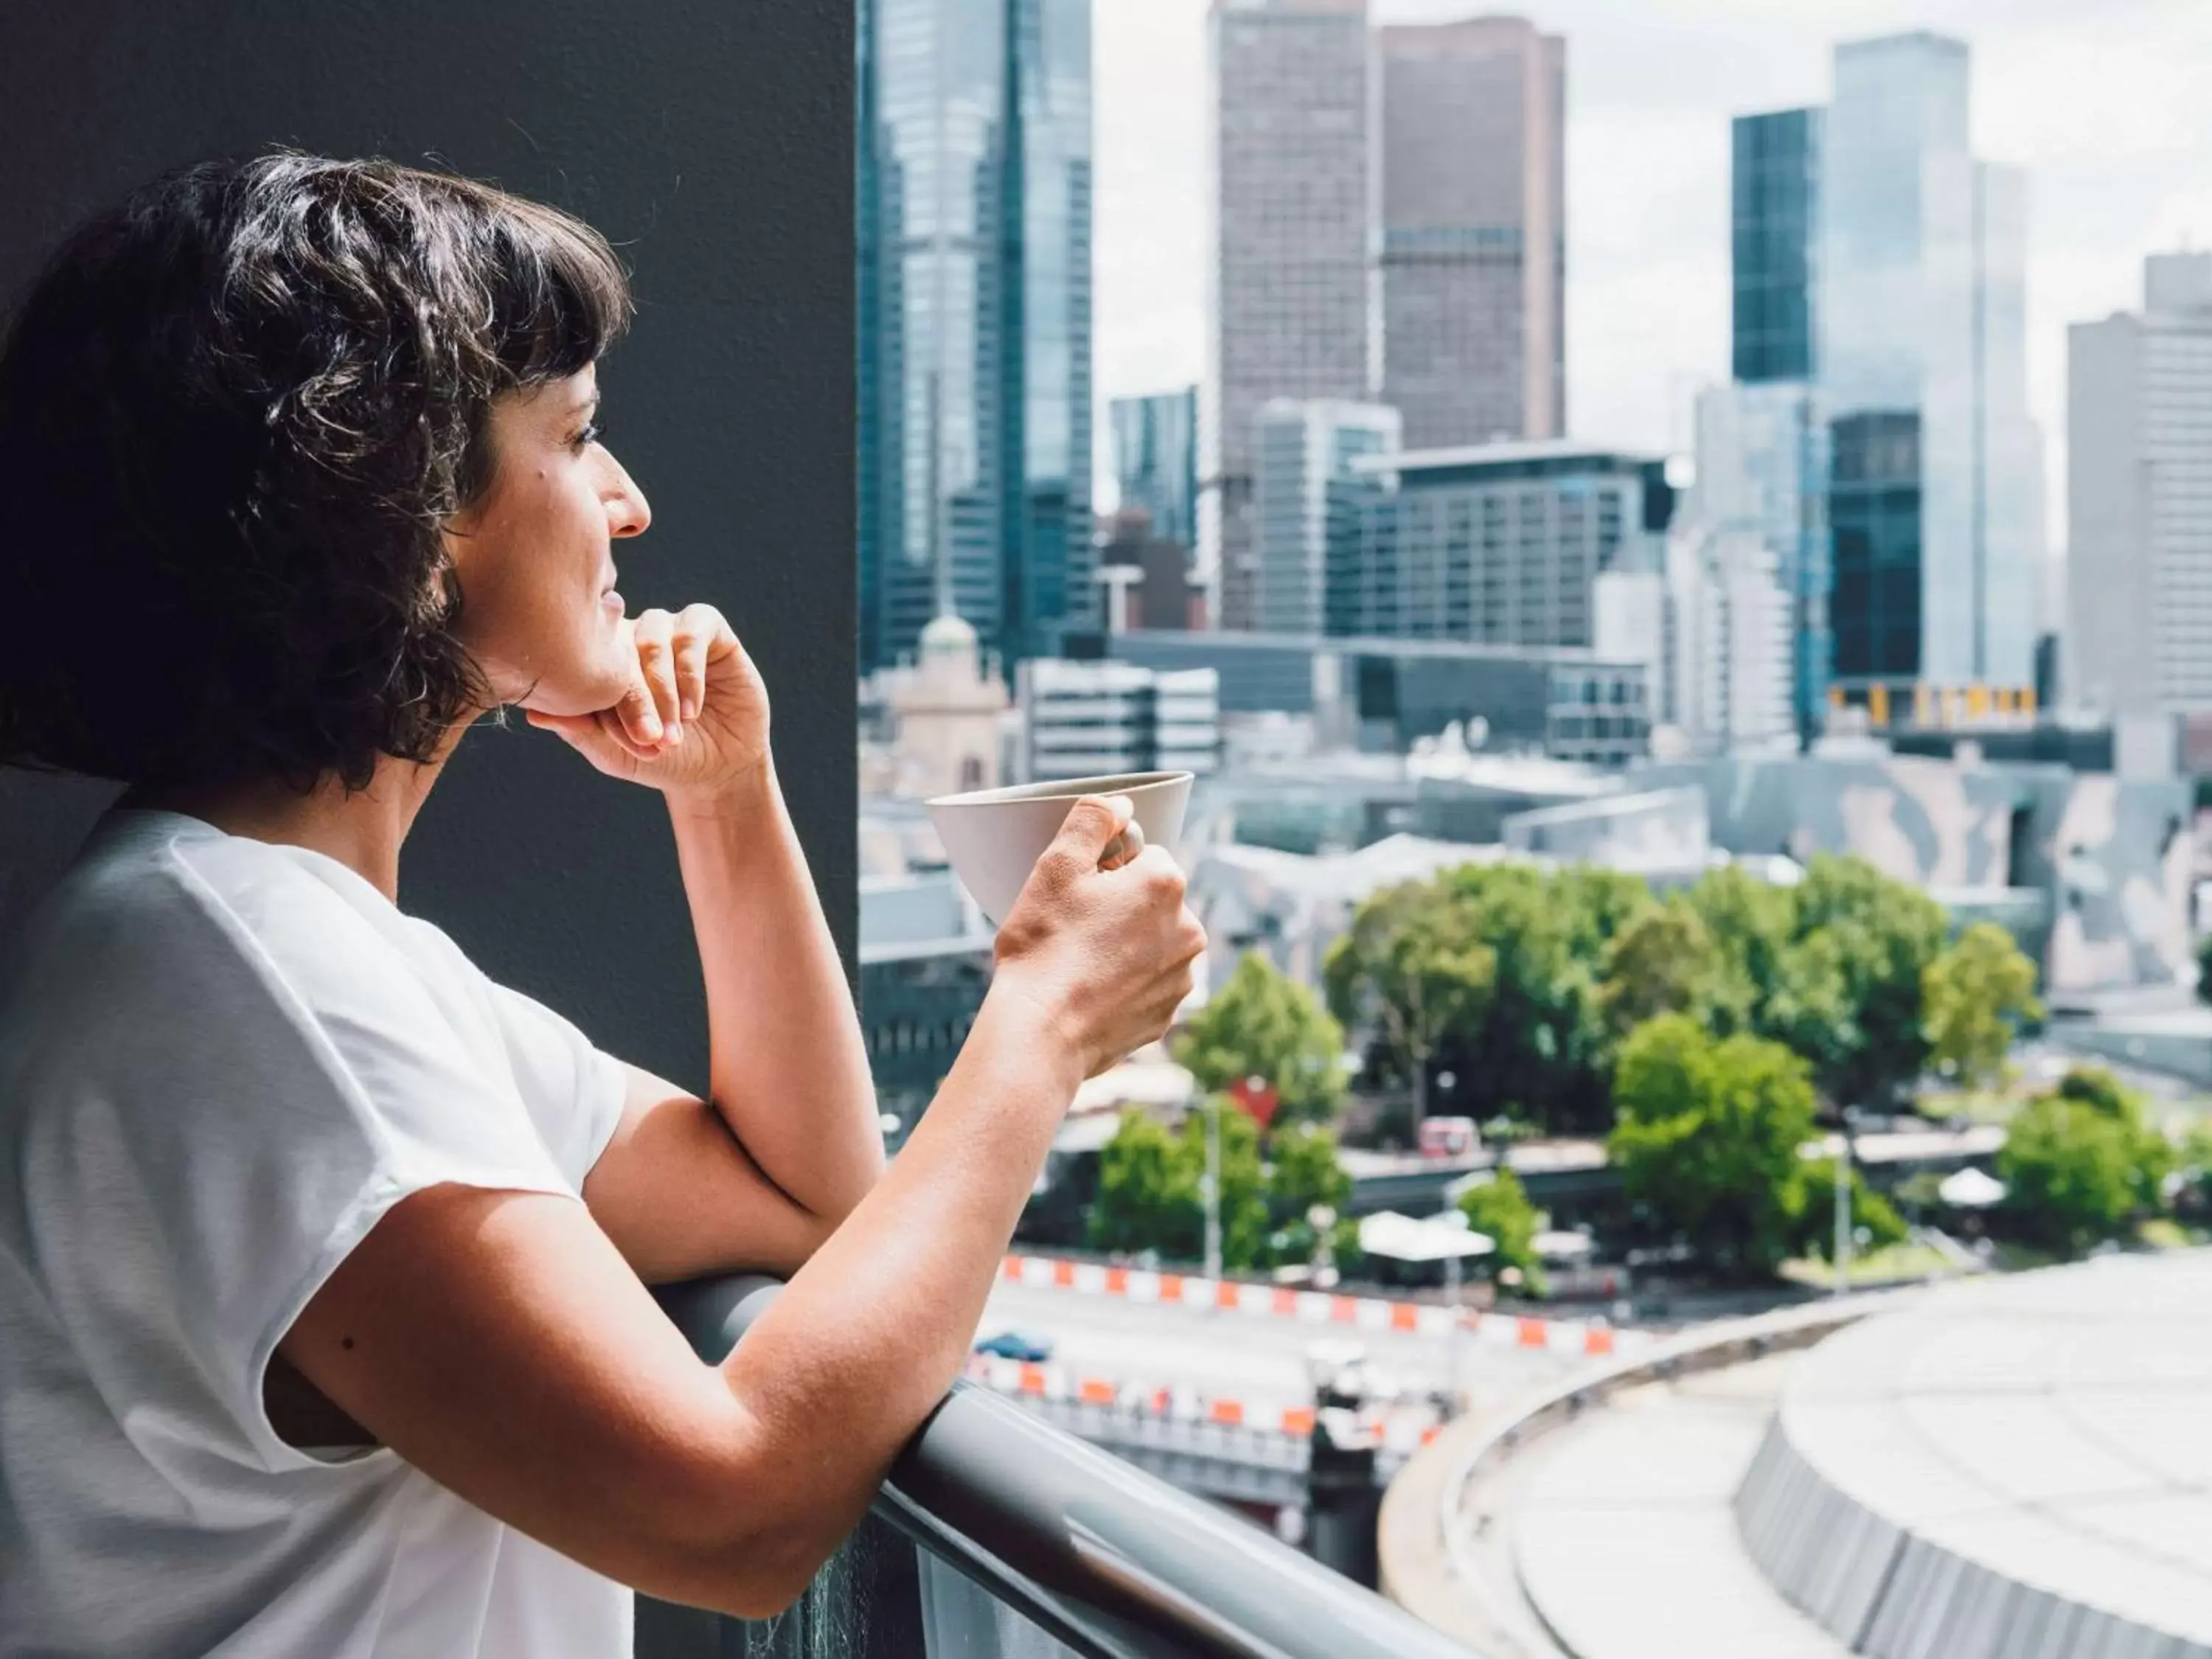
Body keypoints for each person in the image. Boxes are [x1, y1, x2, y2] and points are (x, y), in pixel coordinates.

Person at [0, 154, 1205, 1657]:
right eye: (577, 435)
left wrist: (726, 799)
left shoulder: (261, 949)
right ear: (407, 505)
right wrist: (1041, 1031)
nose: (629, 505)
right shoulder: (257, 978)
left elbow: (819, 1210)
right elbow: (734, 1509)